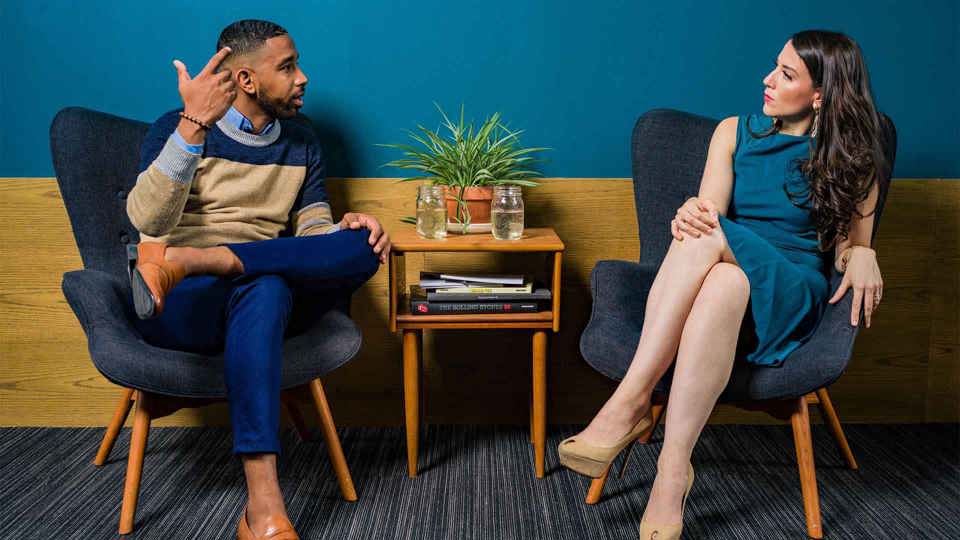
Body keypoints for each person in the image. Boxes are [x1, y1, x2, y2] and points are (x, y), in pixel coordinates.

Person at [558, 30, 887, 540]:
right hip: (728, 281)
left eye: (786, 74)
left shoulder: (853, 155)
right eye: (774, 66)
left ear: (820, 95)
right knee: (724, 278)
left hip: (790, 287)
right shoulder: (733, 133)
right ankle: (672, 473)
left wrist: (862, 253)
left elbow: (850, 244)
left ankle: (630, 401)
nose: (767, 79)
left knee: (712, 239)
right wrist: (690, 211)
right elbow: (706, 213)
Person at [126, 20, 391, 540]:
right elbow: (147, 222)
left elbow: (312, 229)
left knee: (363, 246)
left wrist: (341, 230)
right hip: (180, 302)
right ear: (246, 79)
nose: (303, 78)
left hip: (248, 278)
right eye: (287, 67)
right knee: (267, 286)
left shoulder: (301, 141)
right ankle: (264, 507)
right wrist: (192, 127)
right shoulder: (176, 127)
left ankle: (204, 259)